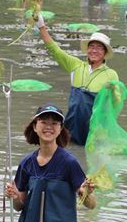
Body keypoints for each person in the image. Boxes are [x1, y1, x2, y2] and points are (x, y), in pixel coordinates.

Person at [4, 104, 96, 222]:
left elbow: (92, 204)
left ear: (60, 129)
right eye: (44, 122)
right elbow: (19, 206)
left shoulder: (69, 163)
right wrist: (14, 196)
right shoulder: (26, 163)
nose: (49, 127)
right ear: (34, 126)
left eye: (54, 123)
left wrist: (85, 193)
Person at [34, 14, 119, 145]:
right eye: (91, 47)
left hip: (95, 130)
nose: (94, 50)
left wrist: (112, 91)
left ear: (105, 53)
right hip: (72, 126)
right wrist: (41, 27)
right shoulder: (76, 66)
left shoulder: (111, 74)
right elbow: (55, 50)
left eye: (99, 48)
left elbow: (116, 103)